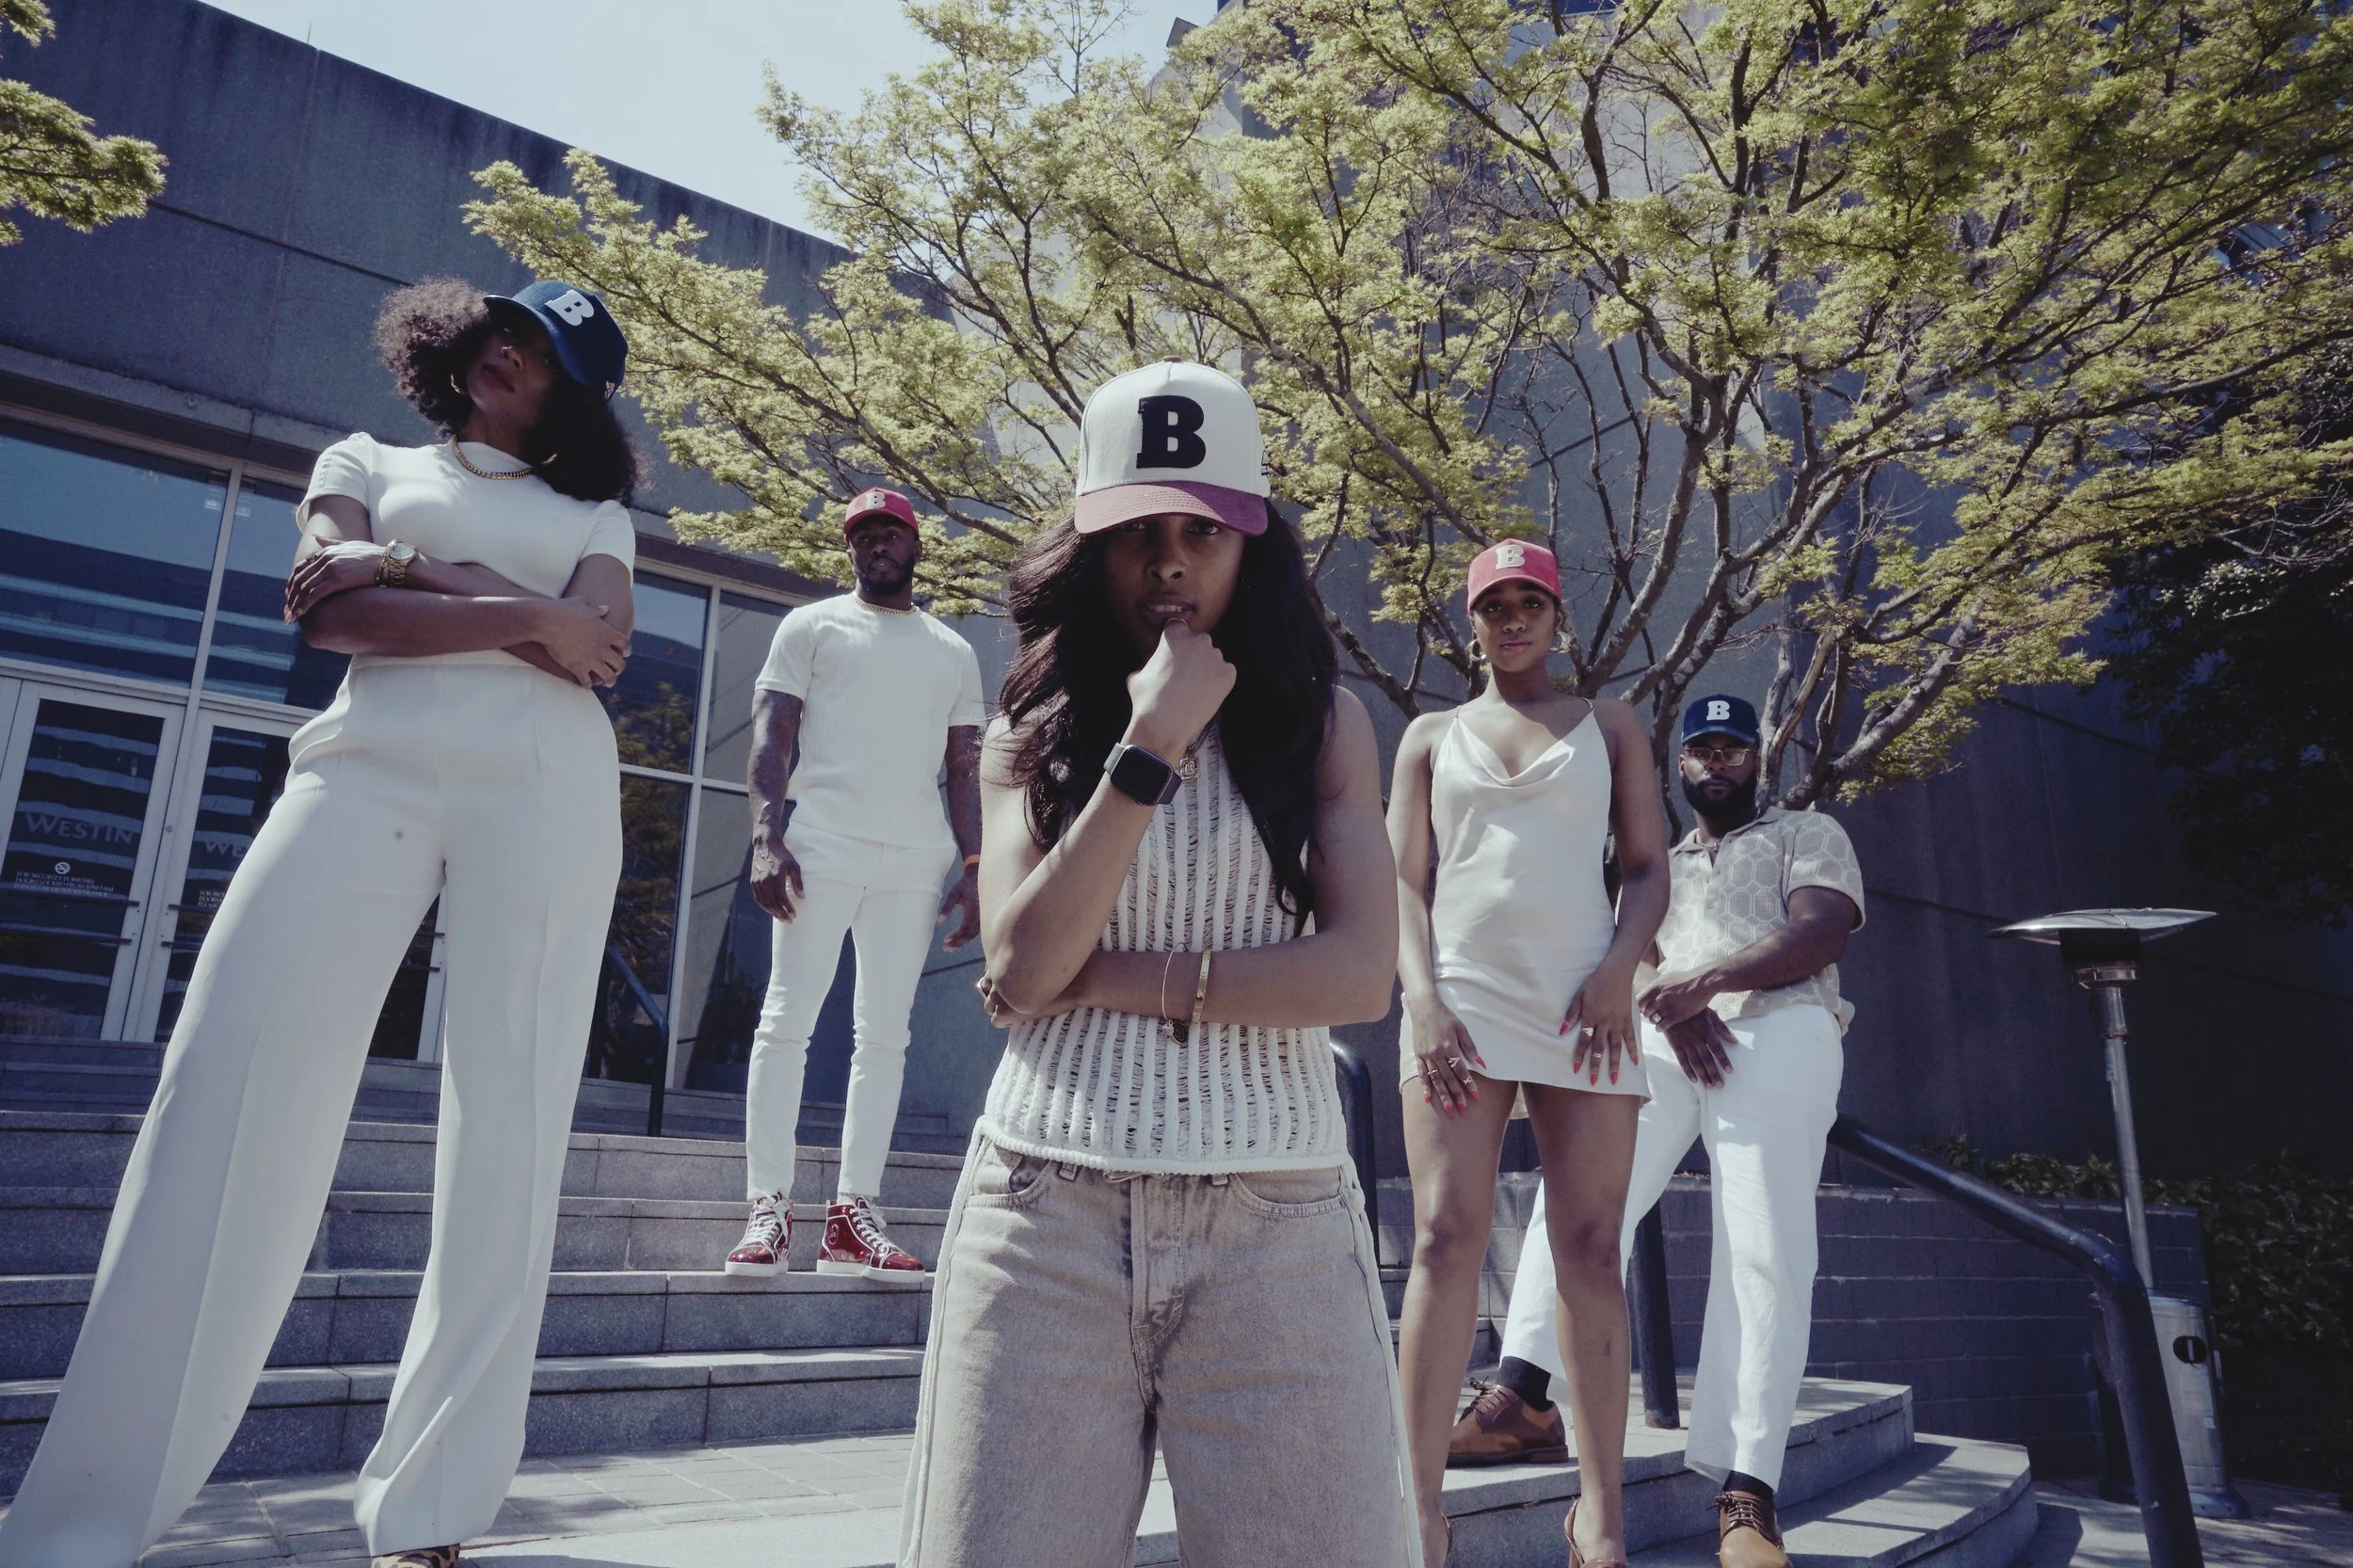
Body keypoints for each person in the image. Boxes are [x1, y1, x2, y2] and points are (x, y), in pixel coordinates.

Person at [0, 277, 641, 1568]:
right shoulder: (364, 457)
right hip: (364, 769)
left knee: (508, 1123)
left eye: (544, 350)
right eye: (505, 324)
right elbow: (331, 607)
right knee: (224, 1085)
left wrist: (420, 568)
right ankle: (85, 1517)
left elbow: (603, 655)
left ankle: (432, 1508)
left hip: (548, 785)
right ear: (464, 332)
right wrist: (520, 604)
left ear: (571, 393)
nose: (511, 349)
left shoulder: (596, 510)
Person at [897, 360, 1413, 1567]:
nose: (1170, 561)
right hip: (1041, 1220)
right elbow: (1023, 969)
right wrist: (1149, 744)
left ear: (1254, 547)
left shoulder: (1326, 722)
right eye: (1136, 532)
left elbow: (1357, 978)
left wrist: (1117, 975)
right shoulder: (1031, 730)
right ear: (1089, 545)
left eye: (1203, 530)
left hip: (1278, 1219)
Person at [1458, 694, 1865, 1568]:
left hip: (1781, 1023)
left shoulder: (1805, 831)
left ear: (1759, 759)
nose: (1716, 762)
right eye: (1700, 751)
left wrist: (1702, 983)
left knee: (1762, 1245)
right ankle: (1524, 1395)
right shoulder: (1653, 863)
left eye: (1732, 749)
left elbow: (1822, 929)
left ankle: (1747, 1488)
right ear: (1678, 766)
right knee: (1575, 1198)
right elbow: (1620, 952)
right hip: (1669, 1033)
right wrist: (1673, 1001)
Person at [1389, 540, 1672, 1568]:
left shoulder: (1610, 724)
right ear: (1470, 622)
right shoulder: (1428, 735)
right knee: (1441, 1237)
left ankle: (1598, 1514)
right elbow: (1404, 884)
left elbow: (1645, 869)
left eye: (1530, 602)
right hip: (1459, 1001)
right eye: (1493, 605)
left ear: (1558, 616)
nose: (1512, 618)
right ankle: (1417, 1508)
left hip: (1583, 1003)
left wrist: (1617, 973)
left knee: (1590, 1249)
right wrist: (1419, 1000)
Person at [722, 487, 984, 1280]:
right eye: (862, 535)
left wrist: (976, 869)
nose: (876, 544)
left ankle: (852, 1216)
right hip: (821, 845)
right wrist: (766, 835)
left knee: (886, 1036)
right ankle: (768, 1207)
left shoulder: (952, 651)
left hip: (911, 859)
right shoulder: (811, 626)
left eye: (889, 532)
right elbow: (772, 733)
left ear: (915, 547)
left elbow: (965, 766)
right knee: (787, 1022)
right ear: (850, 551)